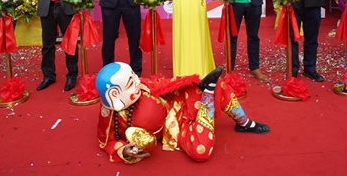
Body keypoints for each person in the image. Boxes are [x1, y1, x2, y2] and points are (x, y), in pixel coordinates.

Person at [96, 62, 269, 164]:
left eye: (135, 77)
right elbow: (107, 142)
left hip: (178, 101)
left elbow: (161, 85)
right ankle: (207, 97)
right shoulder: (110, 114)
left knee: (219, 85)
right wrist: (124, 151)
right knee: (201, 152)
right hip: (173, 129)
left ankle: (244, 123)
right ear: (114, 95)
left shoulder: (140, 85)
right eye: (130, 83)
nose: (137, 82)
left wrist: (186, 82)